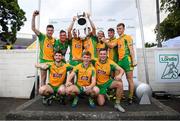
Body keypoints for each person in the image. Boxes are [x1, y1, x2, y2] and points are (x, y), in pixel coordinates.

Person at [102, 23, 137, 104]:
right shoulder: (118, 39)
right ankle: (120, 95)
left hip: (127, 60)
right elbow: (111, 46)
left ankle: (130, 97)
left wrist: (134, 60)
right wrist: (105, 40)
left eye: (120, 28)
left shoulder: (128, 37)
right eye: (117, 29)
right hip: (120, 62)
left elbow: (131, 49)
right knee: (117, 78)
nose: (118, 30)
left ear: (123, 29)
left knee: (130, 80)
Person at [93, 48, 125, 112]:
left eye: (104, 54)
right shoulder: (95, 60)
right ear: (98, 55)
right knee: (101, 104)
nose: (102, 55)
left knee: (119, 84)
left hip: (107, 82)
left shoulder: (110, 62)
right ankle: (103, 94)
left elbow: (121, 70)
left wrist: (119, 75)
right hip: (99, 85)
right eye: (101, 54)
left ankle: (117, 104)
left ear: (106, 54)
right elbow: (85, 59)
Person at [32, 10, 55, 86]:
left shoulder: (55, 39)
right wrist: (34, 16)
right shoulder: (42, 37)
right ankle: (43, 96)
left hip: (52, 62)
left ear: (53, 31)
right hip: (43, 61)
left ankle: (51, 96)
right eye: (48, 30)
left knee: (53, 79)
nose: (50, 32)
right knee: (43, 79)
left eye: (51, 30)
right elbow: (33, 28)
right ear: (46, 30)